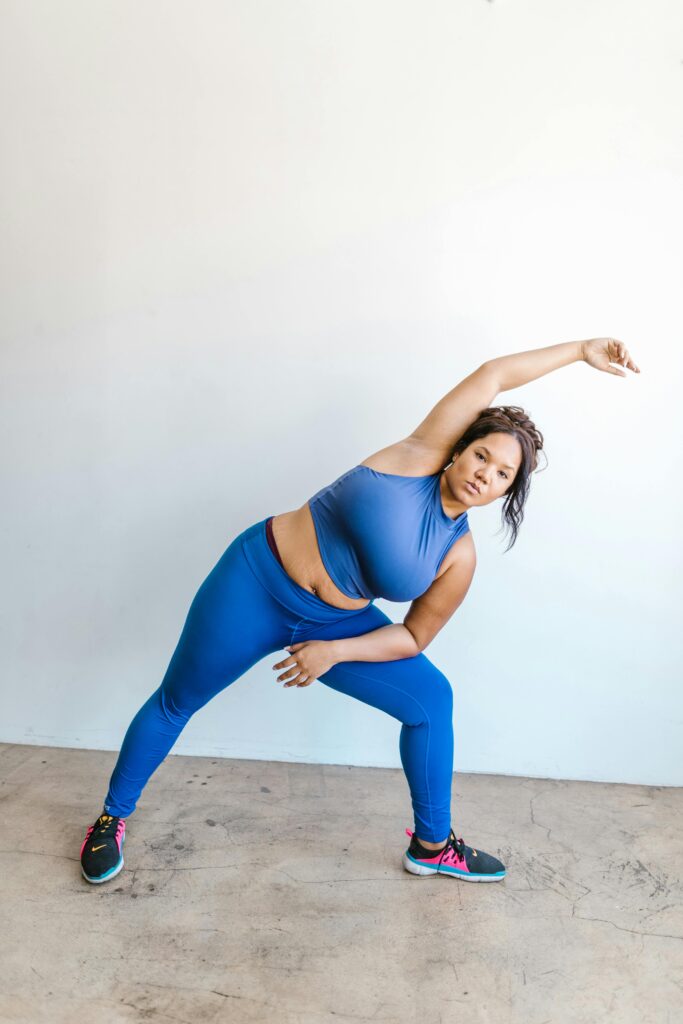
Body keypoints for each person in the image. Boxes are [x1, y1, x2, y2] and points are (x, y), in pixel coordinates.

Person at [79, 337, 640, 885]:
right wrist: (579, 351)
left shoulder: (459, 556)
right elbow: (493, 374)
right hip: (255, 581)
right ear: (459, 448)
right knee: (176, 701)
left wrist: (335, 651)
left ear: (505, 493)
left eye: (502, 475)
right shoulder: (417, 455)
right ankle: (110, 820)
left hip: (335, 623)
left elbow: (413, 637)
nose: (484, 474)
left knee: (431, 700)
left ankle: (433, 847)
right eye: (481, 455)